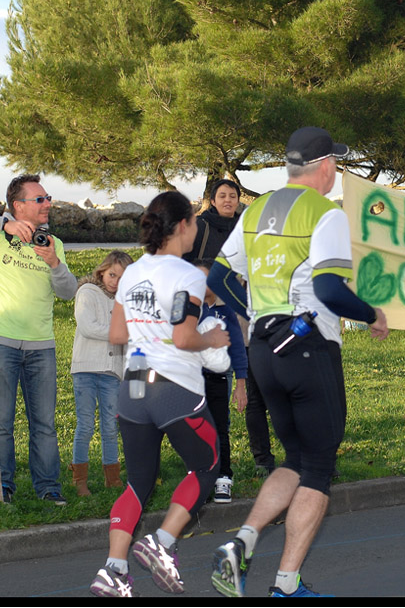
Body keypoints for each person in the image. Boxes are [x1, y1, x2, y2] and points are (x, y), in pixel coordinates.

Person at [207, 126, 390, 598]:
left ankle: (242, 542)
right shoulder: (325, 213)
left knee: (294, 458)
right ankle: (286, 586)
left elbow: (220, 275)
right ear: (325, 165)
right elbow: (329, 289)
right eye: (338, 165)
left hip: (265, 351)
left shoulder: (256, 210)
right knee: (319, 468)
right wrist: (372, 315)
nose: (338, 173)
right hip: (309, 348)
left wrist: (253, 313)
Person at [89, 191, 230, 597]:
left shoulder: (132, 273)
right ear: (183, 225)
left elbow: (118, 334)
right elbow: (186, 336)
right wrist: (213, 338)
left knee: (138, 483)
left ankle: (114, 570)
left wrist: (149, 333)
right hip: (172, 385)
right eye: (195, 224)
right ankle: (160, 543)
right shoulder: (189, 276)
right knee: (207, 467)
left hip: (132, 383)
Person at [0, 174, 77, 505]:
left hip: (42, 347)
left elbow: (68, 293)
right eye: (40, 199)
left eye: (48, 198)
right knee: (1, 424)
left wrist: (54, 263)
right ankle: (2, 488)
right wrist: (2, 225)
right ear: (19, 205)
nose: (48, 203)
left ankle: (49, 489)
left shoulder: (55, 244)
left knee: (45, 426)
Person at [186, 179, 279, 477]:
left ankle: (250, 458)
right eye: (222, 196)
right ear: (212, 200)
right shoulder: (200, 227)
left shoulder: (247, 229)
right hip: (210, 313)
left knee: (257, 388)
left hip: (252, 314)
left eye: (233, 195)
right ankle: (206, 460)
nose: (228, 200)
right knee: (210, 391)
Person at [70, 250, 134, 496]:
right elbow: (87, 327)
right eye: (111, 275)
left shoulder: (126, 303)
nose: (115, 282)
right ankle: (80, 479)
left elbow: (128, 342)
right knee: (85, 424)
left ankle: (112, 477)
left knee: (110, 426)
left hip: (112, 372)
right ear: (102, 271)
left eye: (121, 278)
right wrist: (121, 332)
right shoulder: (88, 293)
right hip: (86, 369)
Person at [192, 258, 249, 504]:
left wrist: (241, 384)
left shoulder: (225, 311)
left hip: (217, 378)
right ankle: (200, 479)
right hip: (191, 379)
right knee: (195, 429)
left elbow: (237, 348)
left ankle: (223, 478)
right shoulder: (187, 311)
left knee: (219, 428)